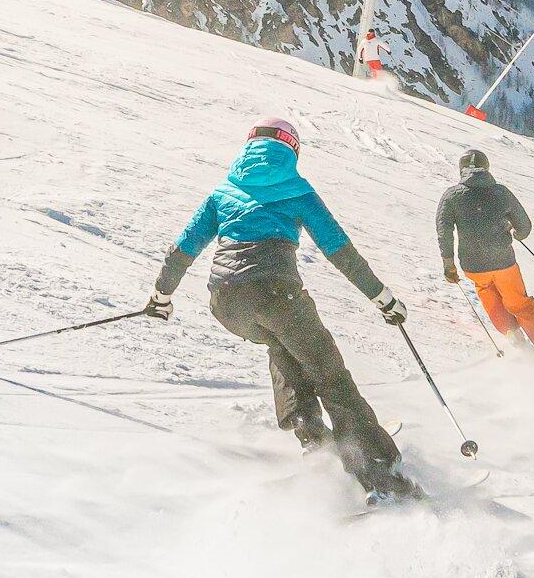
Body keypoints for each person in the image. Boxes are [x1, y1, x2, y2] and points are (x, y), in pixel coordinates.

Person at [149, 119, 414, 497]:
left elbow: (183, 249)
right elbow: (339, 249)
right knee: (327, 371)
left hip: (225, 302)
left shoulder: (224, 191)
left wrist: (162, 296)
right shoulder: (297, 190)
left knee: (283, 347)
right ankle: (377, 472)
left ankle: (313, 439)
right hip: (275, 292)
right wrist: (382, 298)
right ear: (292, 150)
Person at [435, 148, 534, 362]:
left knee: (488, 293)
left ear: (461, 170)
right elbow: (524, 226)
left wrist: (448, 263)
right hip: (504, 261)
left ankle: (510, 332)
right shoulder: (501, 192)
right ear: (486, 169)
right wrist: (516, 232)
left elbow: (444, 230)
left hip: (473, 265)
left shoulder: (452, 196)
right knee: (520, 304)